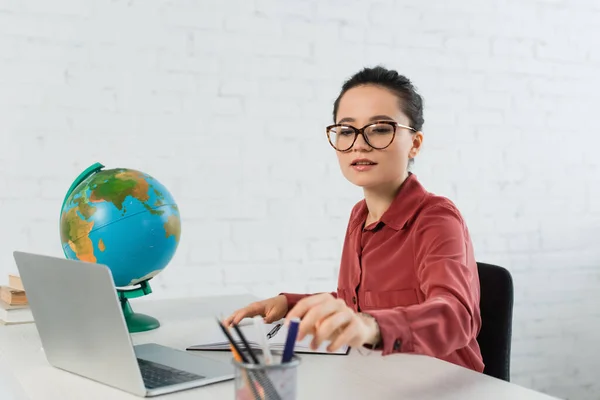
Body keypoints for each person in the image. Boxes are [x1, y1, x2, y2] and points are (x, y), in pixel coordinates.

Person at [224, 66, 484, 373]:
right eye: (347, 131)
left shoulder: (436, 217)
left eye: (380, 128)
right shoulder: (359, 216)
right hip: (374, 377)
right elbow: (360, 303)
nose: (359, 143)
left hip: (443, 382)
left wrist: (371, 326)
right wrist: (290, 304)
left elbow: (456, 316)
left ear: (414, 143)